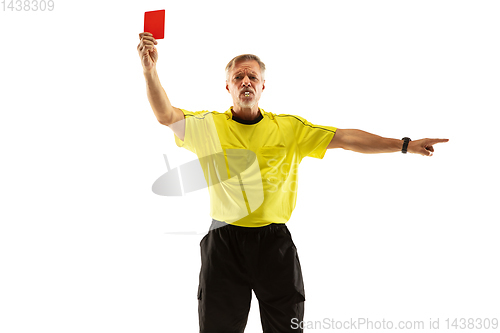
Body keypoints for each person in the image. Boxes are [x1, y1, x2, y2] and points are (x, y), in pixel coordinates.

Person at [137, 32, 449, 332]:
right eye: (238, 77)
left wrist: (405, 144)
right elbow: (166, 115)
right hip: (223, 244)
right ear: (228, 87)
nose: (246, 82)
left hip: (274, 245)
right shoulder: (208, 126)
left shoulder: (288, 128)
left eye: (253, 77)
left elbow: (346, 138)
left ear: (262, 86)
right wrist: (150, 69)